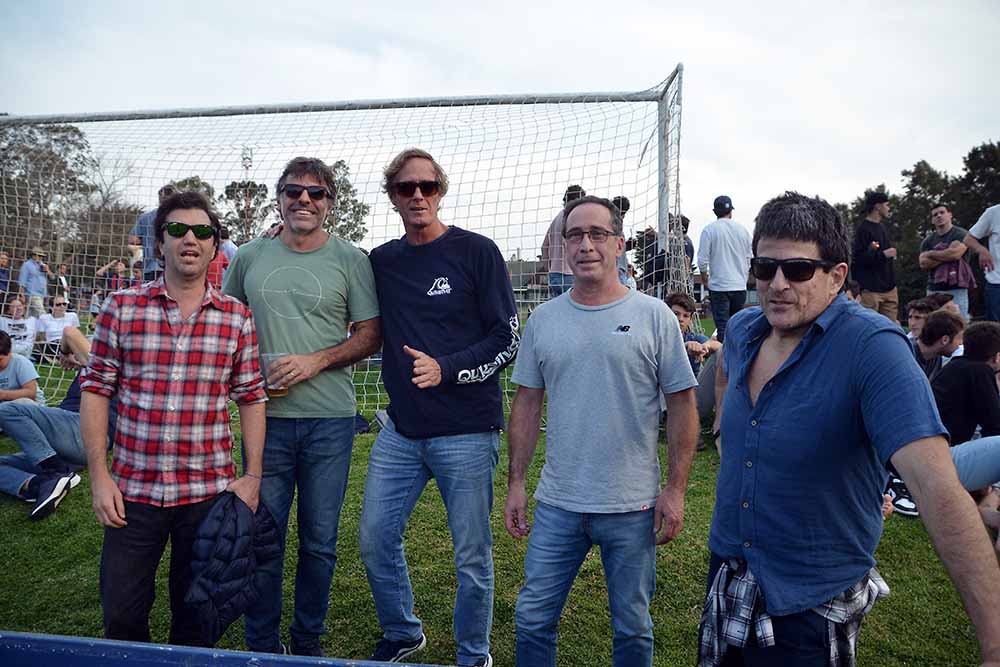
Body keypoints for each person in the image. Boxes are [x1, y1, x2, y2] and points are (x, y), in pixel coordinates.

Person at [701, 191, 1000, 666]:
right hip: (728, 574)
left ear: (837, 276)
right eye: (764, 267)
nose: (777, 284)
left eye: (798, 269)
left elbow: (938, 490)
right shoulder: (743, 329)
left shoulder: (874, 349)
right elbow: (724, 369)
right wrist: (722, 423)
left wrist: (995, 645)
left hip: (810, 601)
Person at [505, 196, 698, 667]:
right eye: (575, 235)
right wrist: (516, 483)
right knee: (532, 620)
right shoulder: (543, 320)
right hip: (559, 503)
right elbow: (527, 403)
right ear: (564, 245)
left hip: (632, 505)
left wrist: (675, 489)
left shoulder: (655, 316)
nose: (585, 245)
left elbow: (682, 406)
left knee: (632, 628)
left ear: (620, 244)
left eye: (597, 234)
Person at [81, 190, 267, 647]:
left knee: (197, 619)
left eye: (202, 231)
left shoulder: (236, 318)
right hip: (133, 493)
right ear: (159, 241)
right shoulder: (121, 308)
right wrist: (99, 476)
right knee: (122, 616)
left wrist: (253, 476)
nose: (190, 239)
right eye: (178, 229)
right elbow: (96, 390)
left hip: (207, 494)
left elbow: (251, 397)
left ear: (215, 245)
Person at [361, 148, 519, 667]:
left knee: (471, 555)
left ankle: (474, 654)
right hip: (402, 431)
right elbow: (337, 269)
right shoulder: (382, 261)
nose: (417, 195)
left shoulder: (477, 252)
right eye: (405, 187)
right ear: (393, 196)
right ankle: (403, 632)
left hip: (467, 431)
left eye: (427, 186)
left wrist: (445, 368)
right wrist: (285, 239)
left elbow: (507, 339)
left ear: (440, 191)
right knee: (375, 538)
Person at [224, 157, 381, 657]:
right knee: (263, 538)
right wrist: (237, 379)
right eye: (294, 191)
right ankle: (262, 642)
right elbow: (224, 324)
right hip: (263, 421)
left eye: (316, 193)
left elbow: (370, 334)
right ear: (279, 200)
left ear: (330, 203)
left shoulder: (351, 260)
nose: (304, 200)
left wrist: (317, 361)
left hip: (329, 422)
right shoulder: (249, 257)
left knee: (319, 541)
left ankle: (306, 639)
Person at [0, 326, 115, 521]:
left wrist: (63, 354)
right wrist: (73, 360)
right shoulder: (88, 368)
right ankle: (40, 484)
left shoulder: (111, 368)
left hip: (86, 430)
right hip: (65, 442)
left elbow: (70, 332)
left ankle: (56, 470)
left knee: (7, 410)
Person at [697, 195, 752, 342]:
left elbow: (702, 260)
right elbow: (749, 257)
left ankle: (724, 355)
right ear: (731, 211)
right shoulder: (742, 230)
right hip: (739, 285)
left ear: (715, 211)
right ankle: (736, 354)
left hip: (719, 286)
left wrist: (705, 279)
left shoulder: (709, 230)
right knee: (737, 327)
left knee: (722, 328)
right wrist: (744, 277)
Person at [918, 202, 974, 318]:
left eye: (942, 212)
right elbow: (923, 263)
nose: (939, 216)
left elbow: (956, 254)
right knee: (932, 323)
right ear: (932, 220)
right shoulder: (928, 241)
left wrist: (931, 254)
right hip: (934, 289)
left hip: (957, 288)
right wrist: (948, 254)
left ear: (950, 215)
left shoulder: (962, 234)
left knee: (958, 322)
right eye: (935, 214)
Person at [851, 191, 898, 322]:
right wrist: (883, 254)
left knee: (890, 329)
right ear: (878, 206)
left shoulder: (882, 227)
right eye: (887, 205)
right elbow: (858, 258)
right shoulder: (863, 229)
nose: (889, 208)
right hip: (871, 291)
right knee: (869, 327)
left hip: (889, 289)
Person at [540, 185, 585, 297]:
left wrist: (549, 268)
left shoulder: (557, 218)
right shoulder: (573, 218)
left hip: (554, 274)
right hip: (570, 273)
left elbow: (544, 246)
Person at [129, 184, 177, 282]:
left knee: (150, 291)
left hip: (150, 267)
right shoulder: (179, 217)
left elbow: (132, 239)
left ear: (159, 198)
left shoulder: (146, 217)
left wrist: (147, 239)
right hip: (174, 268)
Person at [667, 291, 721, 376]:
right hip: (665, 382)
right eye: (676, 314)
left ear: (690, 320)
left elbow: (722, 348)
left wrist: (707, 346)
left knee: (720, 355)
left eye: (686, 316)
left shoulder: (693, 338)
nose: (681, 319)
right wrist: (685, 346)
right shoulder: (657, 339)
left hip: (694, 383)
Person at [963, 204, 1000, 321]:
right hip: (997, 282)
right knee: (995, 329)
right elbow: (968, 239)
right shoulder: (993, 212)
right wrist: (982, 250)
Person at [911, 309, 965, 381]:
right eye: (959, 338)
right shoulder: (908, 357)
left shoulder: (935, 357)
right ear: (945, 339)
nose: (961, 343)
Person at [0, 331, 45, 406]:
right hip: (4, 405)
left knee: (25, 402)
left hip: (30, 405)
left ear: (10, 351)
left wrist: (3, 395)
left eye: (0, 360)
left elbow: (31, 393)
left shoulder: (21, 362)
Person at [35, 296, 81, 362]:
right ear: (51, 307)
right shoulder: (44, 318)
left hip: (68, 344)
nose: (62, 306)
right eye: (58, 305)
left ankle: (55, 359)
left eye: (64, 304)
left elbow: (77, 333)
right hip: (52, 344)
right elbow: (42, 337)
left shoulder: (72, 316)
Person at [18, 247, 52, 318]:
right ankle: (49, 324)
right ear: (33, 255)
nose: (40, 257)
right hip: (31, 294)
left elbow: (52, 277)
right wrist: (22, 295)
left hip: (43, 294)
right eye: (38, 255)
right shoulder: (26, 265)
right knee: (42, 314)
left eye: (41, 256)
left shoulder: (43, 265)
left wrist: (48, 271)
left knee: (32, 316)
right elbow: (22, 281)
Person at [611, 195, 631, 286]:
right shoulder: (610, 228)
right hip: (616, 271)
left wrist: (627, 246)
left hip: (621, 270)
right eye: (623, 213)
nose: (623, 217)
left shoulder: (618, 230)